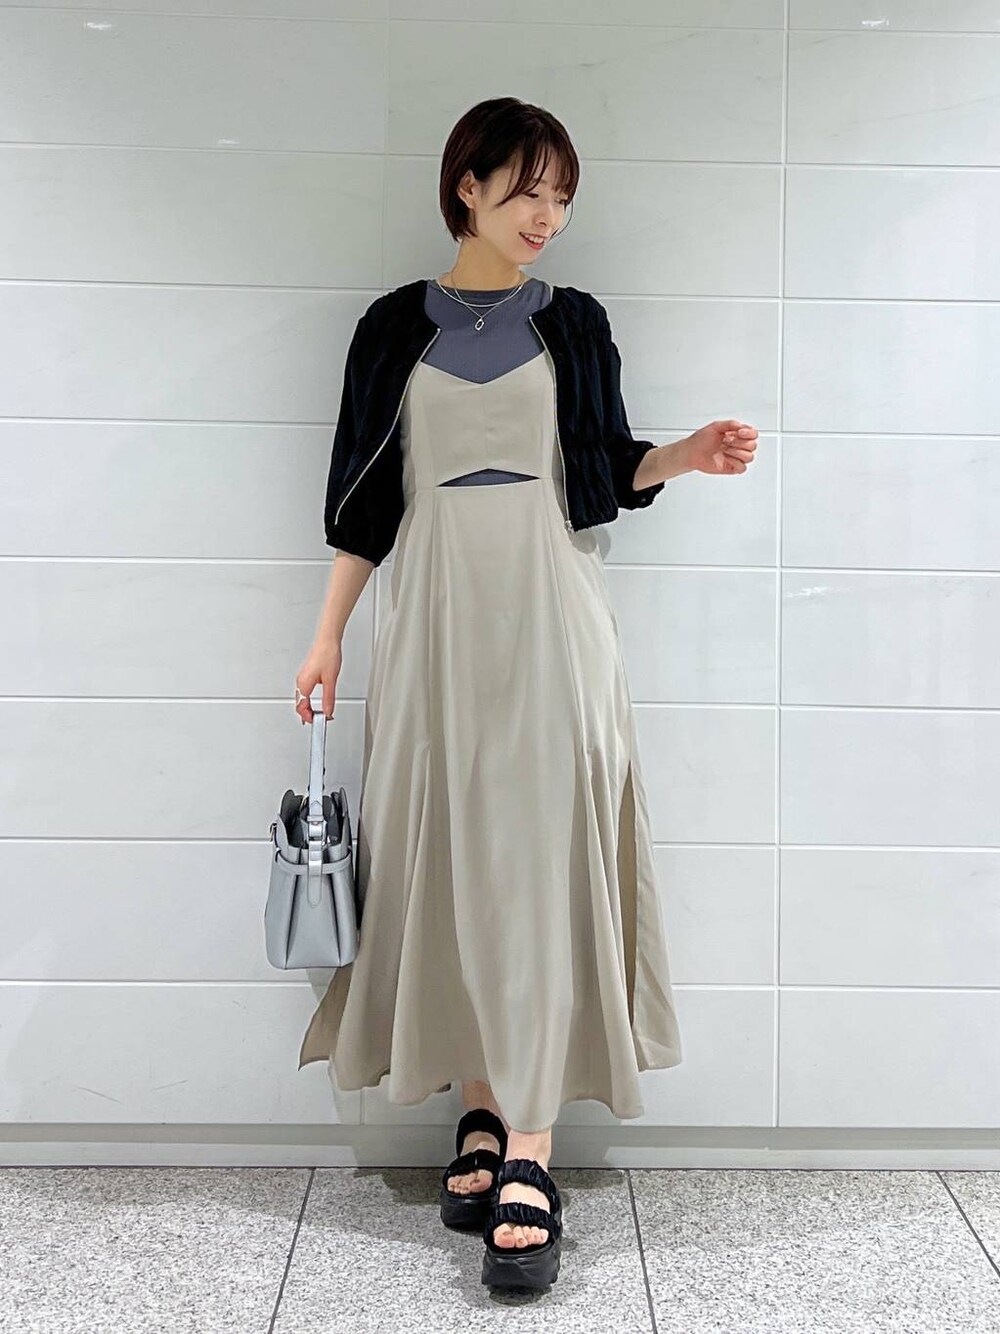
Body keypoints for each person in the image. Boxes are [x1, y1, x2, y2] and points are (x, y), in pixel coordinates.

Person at [293, 97, 758, 1293]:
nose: (546, 215)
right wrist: (327, 634)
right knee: (452, 850)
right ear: (467, 188)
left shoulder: (576, 322)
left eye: (560, 196)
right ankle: (480, 1106)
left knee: (540, 856)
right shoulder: (392, 327)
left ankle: (531, 1147)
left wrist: (685, 456)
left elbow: (601, 472)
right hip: (435, 612)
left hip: (553, 607)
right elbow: (364, 497)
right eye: (525, 191)